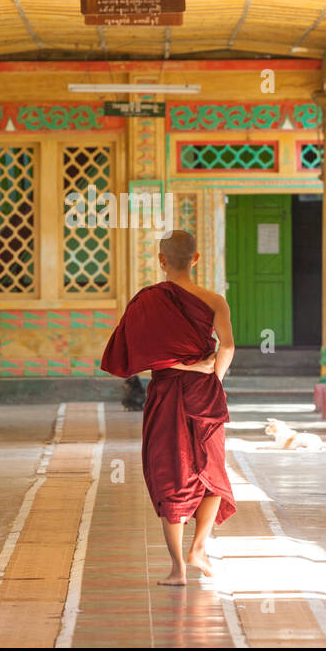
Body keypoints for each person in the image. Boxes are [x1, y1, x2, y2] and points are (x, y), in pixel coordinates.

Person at [101, 230, 235, 586]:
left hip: (165, 395)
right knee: (212, 471)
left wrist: (180, 367)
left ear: (161, 260)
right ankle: (199, 548)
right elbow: (228, 348)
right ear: (196, 259)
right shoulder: (215, 300)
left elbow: (133, 353)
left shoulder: (147, 300)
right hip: (204, 394)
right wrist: (211, 377)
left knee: (169, 472)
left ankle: (177, 568)